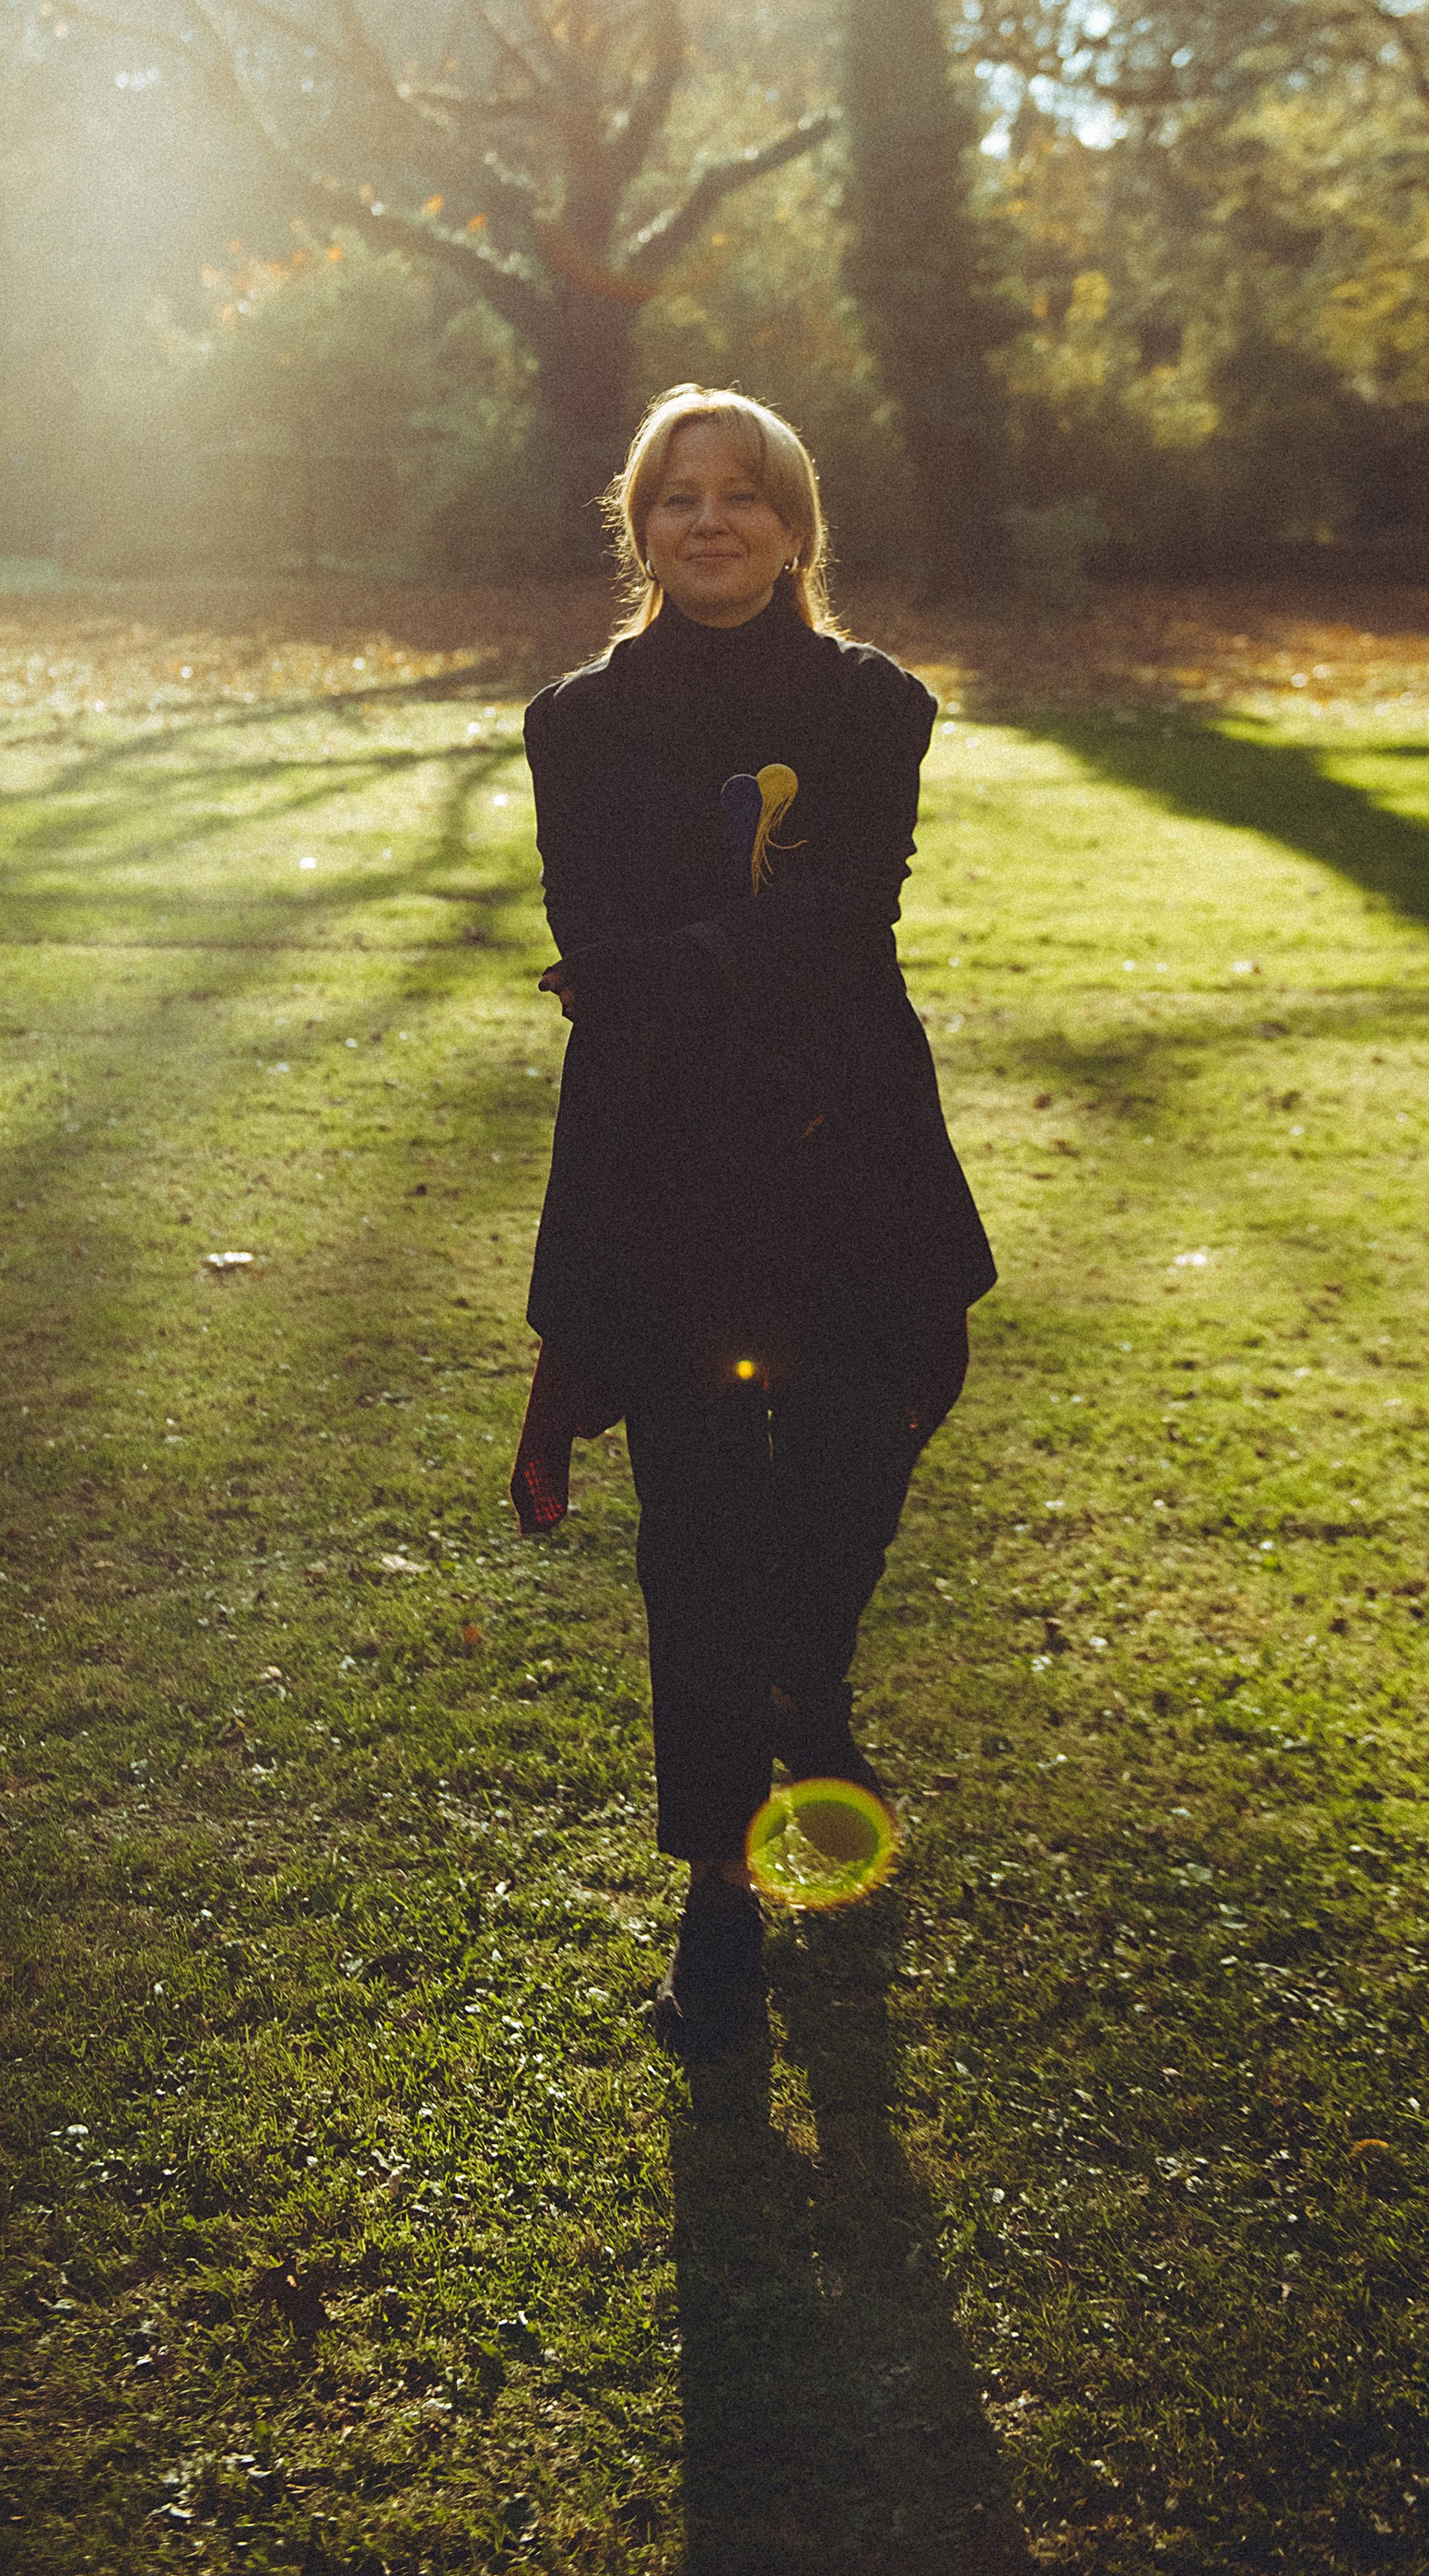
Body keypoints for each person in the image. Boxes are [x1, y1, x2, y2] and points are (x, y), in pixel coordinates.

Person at [509, 384, 995, 2063]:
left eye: (742, 495)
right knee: (700, 1537)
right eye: (675, 497)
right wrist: (686, 967)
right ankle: (716, 1891)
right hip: (666, 1188)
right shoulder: (574, 723)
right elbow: (597, 939)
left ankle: (812, 1691)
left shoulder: (877, 708)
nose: (707, 521)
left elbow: (844, 922)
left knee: (849, 1484)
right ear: (640, 526)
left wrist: (664, 972)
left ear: (794, 523)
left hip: (857, 1176)